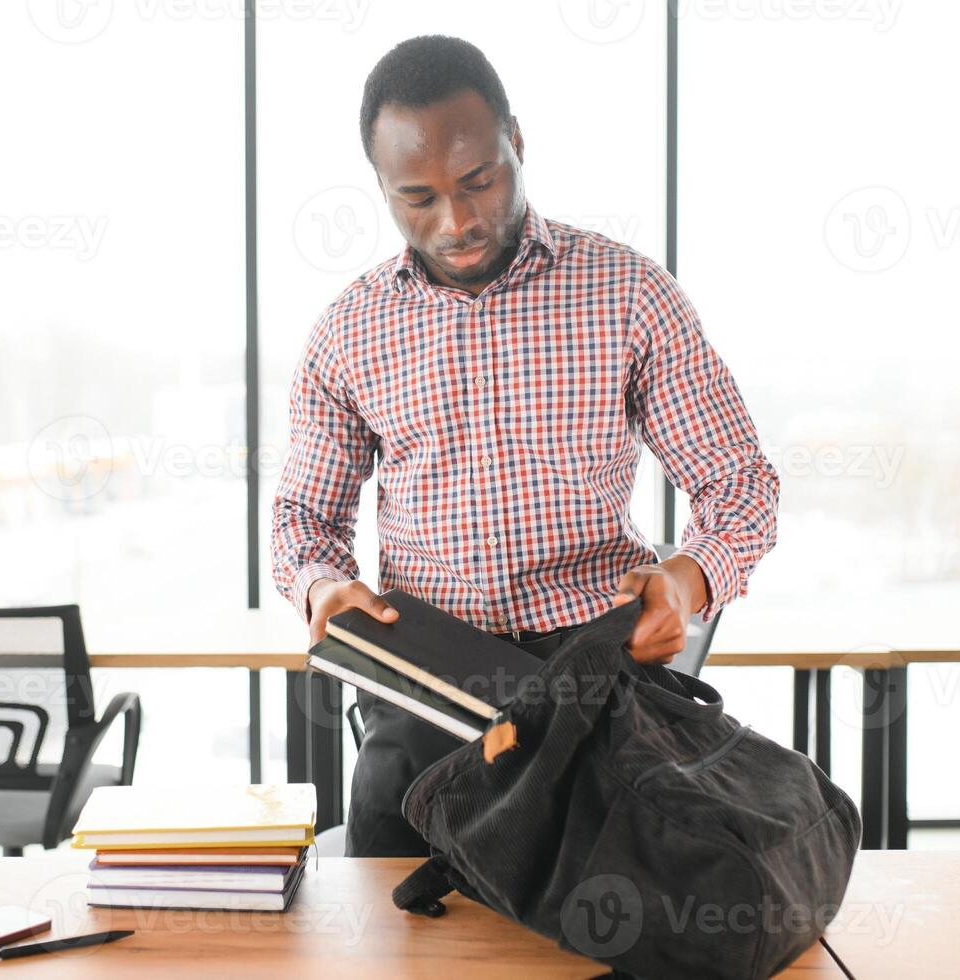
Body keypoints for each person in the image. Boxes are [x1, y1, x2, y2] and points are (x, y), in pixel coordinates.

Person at [270, 35, 780, 857]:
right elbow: (302, 516)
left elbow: (739, 485)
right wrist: (321, 587)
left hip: (596, 685)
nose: (458, 220)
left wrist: (688, 582)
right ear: (380, 189)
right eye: (418, 198)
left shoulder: (627, 293)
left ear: (517, 142)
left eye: (479, 181)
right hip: (424, 680)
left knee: (606, 931)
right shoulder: (349, 329)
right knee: (392, 935)